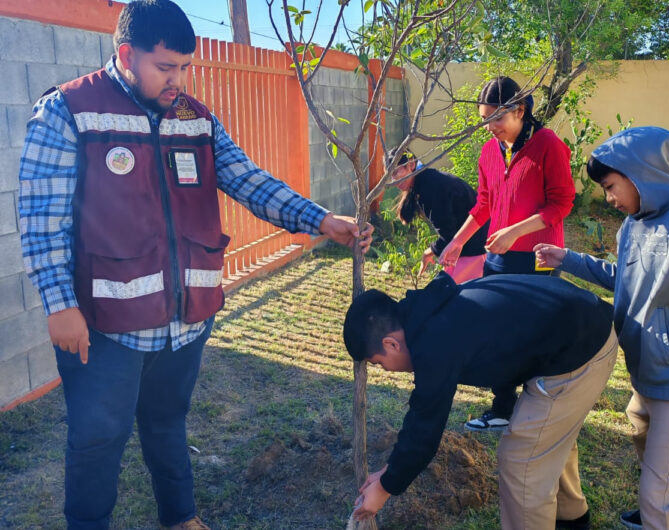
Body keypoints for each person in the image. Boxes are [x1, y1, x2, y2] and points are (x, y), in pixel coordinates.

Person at [17, 1, 372, 529]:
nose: (178, 81)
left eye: (185, 67)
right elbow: (41, 218)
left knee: (167, 422)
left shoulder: (195, 118)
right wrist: (59, 304)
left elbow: (247, 179)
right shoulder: (69, 111)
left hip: (185, 321)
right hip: (105, 325)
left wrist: (320, 219)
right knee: (97, 438)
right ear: (126, 55)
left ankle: (181, 517)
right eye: (165, 67)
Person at [535, 127, 669, 530]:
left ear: (642, 174)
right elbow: (624, 278)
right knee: (644, 435)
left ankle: (668, 514)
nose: (609, 198)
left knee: (656, 497)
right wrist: (568, 259)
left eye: (611, 186)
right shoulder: (633, 224)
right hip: (643, 365)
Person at [344, 272, 618, 530]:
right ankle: (572, 519)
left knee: (522, 460)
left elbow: (425, 424)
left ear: (391, 344)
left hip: (582, 348)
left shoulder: (435, 343)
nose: (387, 370)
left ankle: (567, 518)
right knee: (546, 438)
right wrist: (389, 471)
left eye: (378, 363)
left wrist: (386, 487)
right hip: (580, 326)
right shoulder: (428, 315)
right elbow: (422, 412)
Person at [438, 76, 576, 431]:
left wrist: (515, 232)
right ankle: (502, 408)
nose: (490, 127)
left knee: (534, 333)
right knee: (498, 329)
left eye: (497, 118)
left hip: (539, 257)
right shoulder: (489, 151)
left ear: (520, 111)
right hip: (497, 258)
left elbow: (562, 203)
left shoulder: (548, 145)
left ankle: (539, 410)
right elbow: (484, 204)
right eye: (485, 120)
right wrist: (457, 242)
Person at [387, 149, 489, 282]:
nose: (393, 180)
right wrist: (432, 251)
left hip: (473, 247)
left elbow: (448, 234)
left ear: (411, 165)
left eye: (395, 172)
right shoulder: (426, 181)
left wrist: (431, 250)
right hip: (467, 246)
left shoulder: (430, 186)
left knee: (456, 293)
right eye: (389, 176)